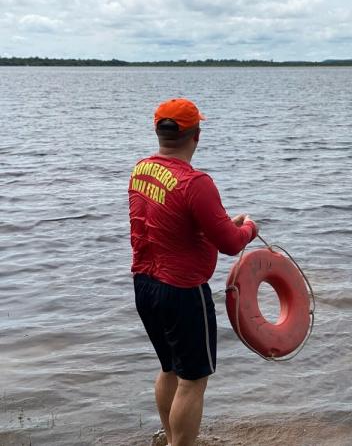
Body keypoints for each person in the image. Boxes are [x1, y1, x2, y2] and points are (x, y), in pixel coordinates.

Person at [128, 98, 258, 446]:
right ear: (196, 135)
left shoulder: (141, 169)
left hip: (145, 285)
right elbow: (232, 244)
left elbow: (167, 225)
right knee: (194, 380)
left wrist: (214, 229)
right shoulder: (196, 182)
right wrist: (249, 230)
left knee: (169, 368)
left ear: (158, 130)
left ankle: (170, 439)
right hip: (183, 292)